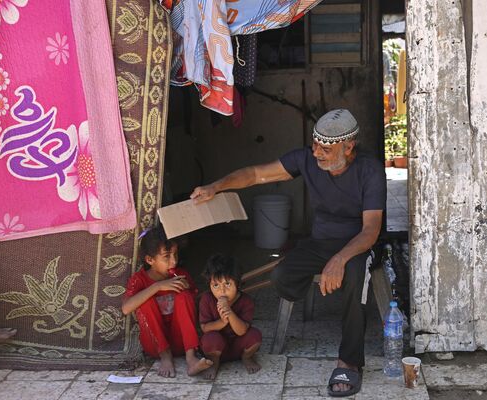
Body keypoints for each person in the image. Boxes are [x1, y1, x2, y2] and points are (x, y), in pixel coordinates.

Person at [191, 109, 386, 397]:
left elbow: (370, 230)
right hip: (320, 242)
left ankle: (350, 361)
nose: (317, 153)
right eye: (315, 145)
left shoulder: (370, 170)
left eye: (326, 148)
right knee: (281, 275)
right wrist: (215, 187)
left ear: (349, 146)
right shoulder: (306, 159)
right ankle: (325, 298)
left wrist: (339, 260)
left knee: (355, 275)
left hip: (359, 245)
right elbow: (256, 175)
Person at [122, 226, 212, 377]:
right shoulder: (139, 280)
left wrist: (189, 291)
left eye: (175, 255)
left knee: (184, 296)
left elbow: (196, 306)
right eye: (166, 257)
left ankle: (191, 357)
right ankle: (166, 356)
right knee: (144, 301)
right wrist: (158, 286)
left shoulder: (181, 274)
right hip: (155, 345)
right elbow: (125, 308)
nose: (174, 261)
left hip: (182, 342)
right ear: (150, 260)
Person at [199, 254, 262, 380]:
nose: (222, 291)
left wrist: (229, 313)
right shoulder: (206, 299)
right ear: (209, 285)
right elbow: (205, 328)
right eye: (215, 285)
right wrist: (222, 322)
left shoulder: (246, 301)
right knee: (209, 339)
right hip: (216, 348)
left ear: (237, 284)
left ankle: (247, 357)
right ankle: (214, 363)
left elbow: (242, 330)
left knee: (255, 335)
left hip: (238, 346)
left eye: (227, 284)